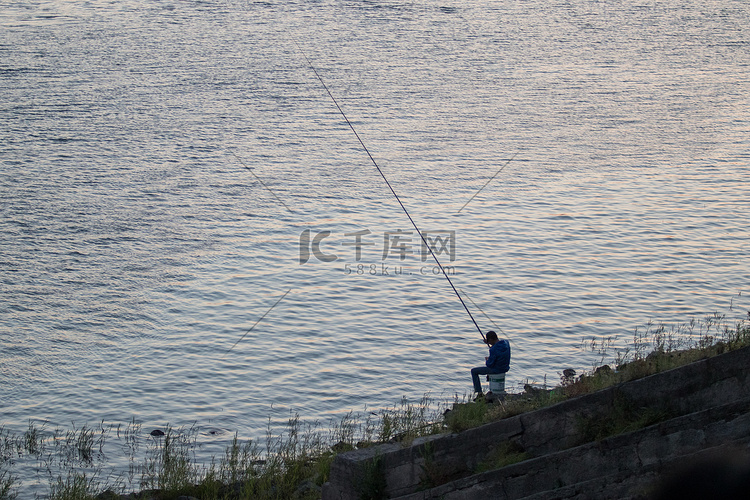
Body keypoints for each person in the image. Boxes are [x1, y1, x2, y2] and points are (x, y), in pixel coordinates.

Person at [470, 330, 510, 395]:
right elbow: (498, 351)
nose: (489, 343)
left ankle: (479, 393)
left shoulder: (493, 349)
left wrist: (487, 360)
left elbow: (489, 364)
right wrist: (489, 343)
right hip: (505, 367)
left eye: (489, 341)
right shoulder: (506, 343)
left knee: (474, 371)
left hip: (497, 369)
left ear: (491, 339)